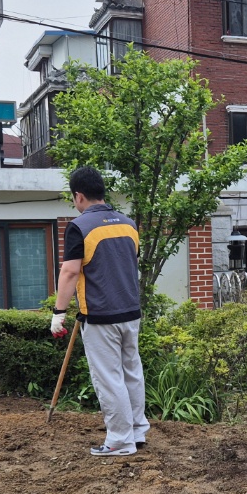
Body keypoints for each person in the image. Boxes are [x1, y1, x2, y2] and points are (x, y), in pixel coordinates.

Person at [51, 166, 150, 457]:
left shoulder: (79, 227)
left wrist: (59, 312)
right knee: (132, 372)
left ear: (79, 195)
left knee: (109, 377)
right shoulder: (128, 224)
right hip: (131, 312)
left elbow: (70, 272)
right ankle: (137, 431)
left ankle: (119, 441)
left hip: (100, 315)